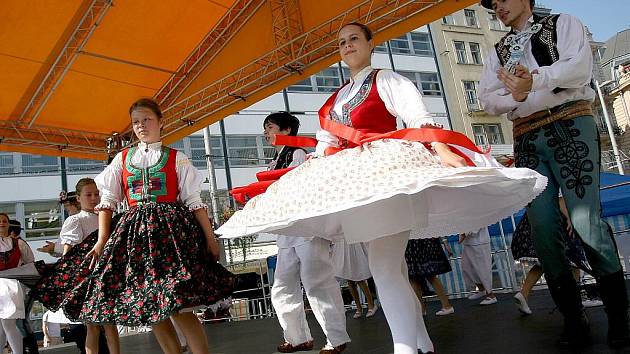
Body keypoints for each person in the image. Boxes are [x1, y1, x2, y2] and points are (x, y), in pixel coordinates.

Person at [217, 22, 546, 354]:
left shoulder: (386, 79)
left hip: (386, 175)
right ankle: (422, 343)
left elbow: (417, 116)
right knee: (392, 268)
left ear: (371, 43)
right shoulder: (337, 97)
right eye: (342, 42)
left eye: (354, 39)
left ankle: (404, 348)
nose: (347, 45)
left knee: (385, 267)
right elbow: (326, 145)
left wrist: (442, 149)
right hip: (356, 183)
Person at [479, 0, 629, 347]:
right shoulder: (497, 51)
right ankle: (574, 320)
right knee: (543, 228)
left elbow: (578, 67)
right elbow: (488, 98)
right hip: (527, 135)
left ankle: (620, 316)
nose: (498, 5)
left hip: (570, 122)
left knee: (586, 222)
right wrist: (517, 96)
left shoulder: (563, 23)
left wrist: (534, 82)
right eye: (493, 3)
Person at [81, 98, 233, 354]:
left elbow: (195, 202)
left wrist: (210, 238)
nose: (141, 126)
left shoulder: (176, 158)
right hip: (135, 239)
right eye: (136, 122)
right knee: (150, 306)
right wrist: (101, 241)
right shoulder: (122, 159)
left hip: (171, 237)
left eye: (146, 120)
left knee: (178, 303)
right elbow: (108, 202)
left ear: (161, 122)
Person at [264, 112, 351, 354]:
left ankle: (336, 338)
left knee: (316, 281)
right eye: (266, 129)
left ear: (286, 131)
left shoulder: (299, 153)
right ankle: (297, 337)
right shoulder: (277, 158)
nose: (266, 133)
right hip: (286, 229)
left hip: (306, 226)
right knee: (282, 286)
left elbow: (300, 186)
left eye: (270, 128)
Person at [32, 178, 120, 354]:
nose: (94, 198)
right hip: (87, 280)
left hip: (107, 275)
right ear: (78, 198)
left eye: (97, 194)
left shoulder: (103, 217)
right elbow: (68, 254)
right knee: (94, 326)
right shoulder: (75, 220)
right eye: (89, 194)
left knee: (110, 324)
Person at [0, 212, 35, 354]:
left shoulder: (19, 243)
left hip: (11, 287)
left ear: (9, 224)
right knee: (2, 327)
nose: (1, 223)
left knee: (8, 324)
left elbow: (30, 263)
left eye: (4, 221)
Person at [405, 238, 454, 316]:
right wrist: (445, 242)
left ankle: (422, 309)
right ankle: (446, 305)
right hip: (425, 242)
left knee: (413, 277)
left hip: (411, 244)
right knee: (429, 276)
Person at [332, 240, 378, 319]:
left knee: (358, 277)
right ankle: (358, 307)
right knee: (349, 279)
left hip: (353, 242)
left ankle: (371, 305)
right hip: (342, 244)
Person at [459, 228, 497, 305]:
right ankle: (481, 289)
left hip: (479, 241)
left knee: (483, 269)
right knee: (467, 268)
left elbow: (479, 219)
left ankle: (490, 295)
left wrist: (464, 233)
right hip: (469, 241)